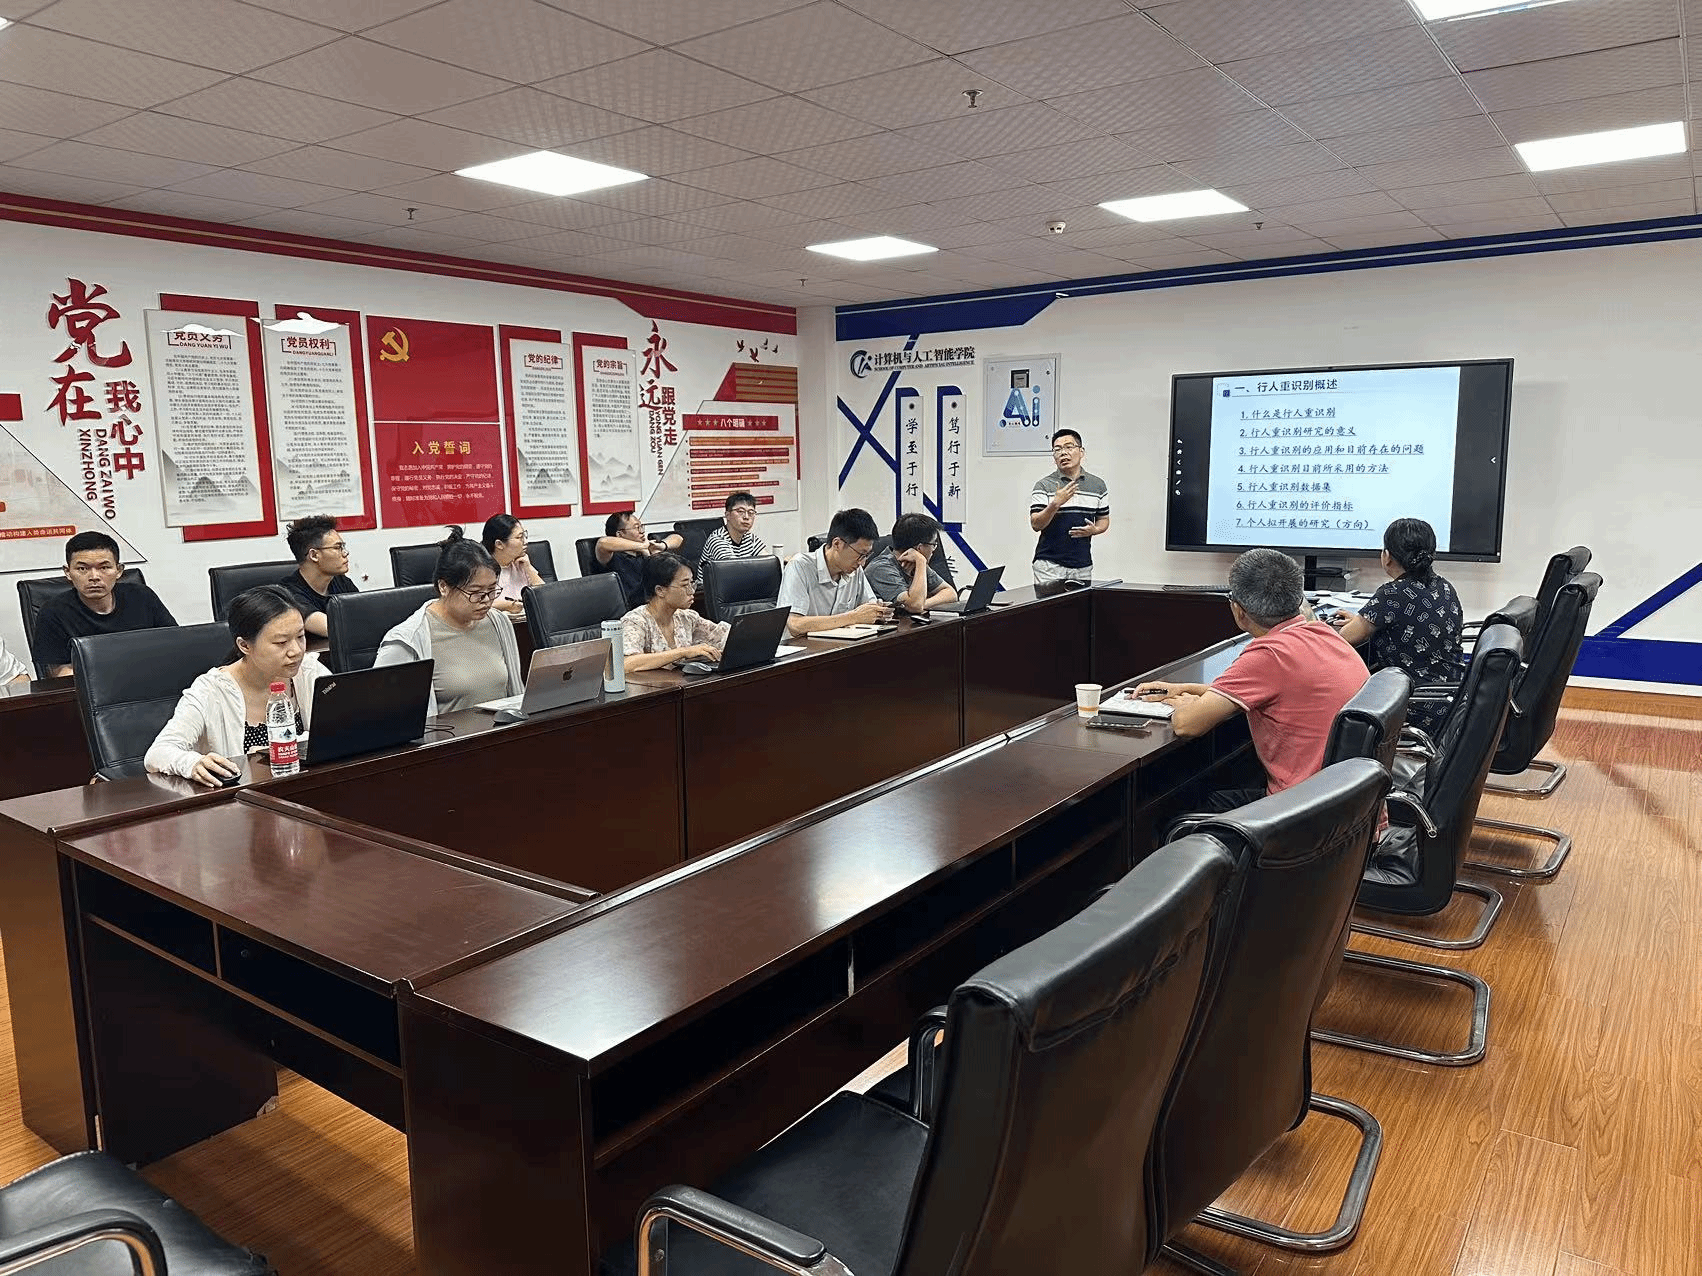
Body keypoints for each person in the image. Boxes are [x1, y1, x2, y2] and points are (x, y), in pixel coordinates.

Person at [1133, 547, 1369, 806]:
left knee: (1180, 809)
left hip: (1302, 811)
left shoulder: (1269, 654)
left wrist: (1184, 705)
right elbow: (1266, 690)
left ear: (1238, 610)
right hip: (1350, 805)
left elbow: (1186, 725)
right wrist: (1185, 689)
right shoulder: (1323, 634)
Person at [145, 585, 330, 787]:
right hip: (243, 797)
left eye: (300, 637)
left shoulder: (309, 671)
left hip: (308, 786)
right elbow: (158, 752)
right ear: (244, 645)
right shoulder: (211, 690)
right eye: (281, 642)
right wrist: (192, 763)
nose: (296, 651)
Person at [1332, 517, 1465, 734]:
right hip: (1450, 698)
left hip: (1415, 704)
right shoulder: (1444, 586)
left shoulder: (1393, 592)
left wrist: (1310, 619)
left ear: (1387, 556)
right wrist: (1362, 620)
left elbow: (1344, 637)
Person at [374, 527, 523, 715]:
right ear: (444, 587)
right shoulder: (407, 641)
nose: (486, 600)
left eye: (492, 590)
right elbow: (381, 712)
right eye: (475, 592)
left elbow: (514, 694)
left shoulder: (498, 622)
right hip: (448, 734)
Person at [34, 530, 177, 678]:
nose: (94, 577)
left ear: (119, 571)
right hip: (90, 690)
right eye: (82, 569)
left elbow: (175, 645)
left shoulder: (142, 596)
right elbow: (60, 673)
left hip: (147, 680)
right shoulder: (52, 612)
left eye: (104, 567)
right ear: (68, 572)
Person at [776, 508, 891, 637]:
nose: (862, 563)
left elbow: (868, 606)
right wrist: (853, 617)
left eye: (867, 555)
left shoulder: (855, 569)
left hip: (841, 644)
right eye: (861, 554)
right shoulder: (800, 566)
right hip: (802, 647)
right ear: (837, 544)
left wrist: (878, 612)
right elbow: (795, 624)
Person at [621, 553, 731, 673]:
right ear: (660, 590)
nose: (691, 591)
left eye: (692, 584)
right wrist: (683, 652)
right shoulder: (635, 621)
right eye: (684, 585)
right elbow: (626, 663)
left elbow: (726, 637)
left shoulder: (687, 617)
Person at [1029, 428, 1110, 585]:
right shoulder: (1043, 485)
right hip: (1049, 565)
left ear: (1081, 451)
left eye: (1069, 447)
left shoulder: (1098, 485)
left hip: (1082, 564)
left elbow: (1104, 519)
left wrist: (1095, 530)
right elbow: (1036, 524)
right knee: (1050, 603)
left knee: (1080, 602)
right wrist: (1055, 503)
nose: (1063, 453)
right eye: (1057, 449)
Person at [279, 514, 358, 638]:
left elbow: (364, 616)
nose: (345, 553)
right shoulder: (289, 593)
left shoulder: (342, 582)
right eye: (337, 547)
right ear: (314, 555)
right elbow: (334, 629)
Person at [864, 512, 957, 614]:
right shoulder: (881, 568)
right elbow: (915, 606)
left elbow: (951, 594)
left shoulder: (916, 564)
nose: (934, 549)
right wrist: (921, 562)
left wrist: (923, 604)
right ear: (919, 548)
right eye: (933, 544)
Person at [595, 510, 683, 610]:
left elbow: (678, 538)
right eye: (636, 527)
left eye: (641, 526)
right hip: (629, 610)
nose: (642, 531)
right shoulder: (612, 556)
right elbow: (602, 543)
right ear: (620, 534)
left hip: (653, 607)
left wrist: (661, 546)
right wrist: (642, 546)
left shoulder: (644, 552)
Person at [696, 490, 771, 586]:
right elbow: (734, 572)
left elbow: (769, 564)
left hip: (737, 587)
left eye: (751, 512)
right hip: (711, 592)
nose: (746, 517)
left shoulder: (750, 538)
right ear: (728, 515)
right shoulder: (718, 539)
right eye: (740, 511)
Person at [482, 513, 544, 616]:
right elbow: (476, 604)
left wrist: (529, 568)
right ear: (499, 544)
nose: (525, 542)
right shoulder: (481, 568)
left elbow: (544, 595)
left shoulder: (521, 562)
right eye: (519, 537)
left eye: (524, 535)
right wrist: (509, 605)